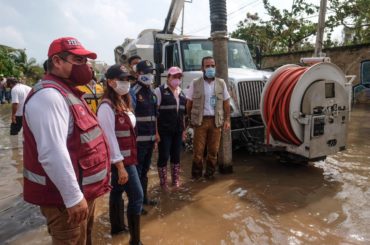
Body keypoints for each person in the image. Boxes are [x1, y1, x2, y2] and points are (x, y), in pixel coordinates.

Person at [22, 37, 111, 244]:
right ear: (57, 61)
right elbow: (52, 153)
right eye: (78, 60)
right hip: (64, 200)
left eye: (86, 61)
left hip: (80, 194)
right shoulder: (49, 96)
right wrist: (73, 197)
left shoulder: (69, 92)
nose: (86, 66)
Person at [97, 64, 144, 244]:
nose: (126, 83)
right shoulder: (106, 107)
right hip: (121, 162)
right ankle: (135, 241)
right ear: (110, 82)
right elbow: (109, 139)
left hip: (127, 158)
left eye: (127, 79)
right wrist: (120, 166)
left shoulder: (122, 101)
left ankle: (117, 228)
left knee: (116, 192)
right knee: (137, 196)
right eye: (121, 79)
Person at [186, 56, 231, 180]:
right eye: (207, 66)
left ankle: (210, 175)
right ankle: (196, 177)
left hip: (216, 122)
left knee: (213, 152)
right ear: (202, 68)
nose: (210, 68)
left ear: (215, 67)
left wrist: (227, 120)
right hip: (200, 122)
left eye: (212, 65)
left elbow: (226, 103)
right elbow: (189, 104)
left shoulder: (221, 83)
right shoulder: (195, 83)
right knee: (198, 153)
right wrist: (191, 121)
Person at [130, 60, 158, 212]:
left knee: (145, 172)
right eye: (145, 72)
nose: (149, 75)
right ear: (138, 74)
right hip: (138, 141)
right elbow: (130, 117)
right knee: (138, 172)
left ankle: (144, 198)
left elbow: (154, 116)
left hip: (150, 140)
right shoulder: (133, 92)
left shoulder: (151, 92)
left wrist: (155, 136)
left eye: (151, 72)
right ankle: (137, 205)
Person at [154, 66, 186, 190]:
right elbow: (155, 114)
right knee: (163, 156)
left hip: (177, 131)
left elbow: (182, 114)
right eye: (174, 76)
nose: (177, 79)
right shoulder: (159, 91)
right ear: (168, 77)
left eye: (179, 77)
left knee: (176, 156)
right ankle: (163, 183)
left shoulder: (181, 93)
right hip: (164, 131)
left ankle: (175, 181)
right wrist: (156, 132)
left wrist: (183, 131)